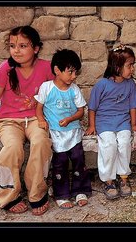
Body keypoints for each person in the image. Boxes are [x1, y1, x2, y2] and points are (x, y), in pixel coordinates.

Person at [0, 26, 54, 216]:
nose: (16, 50)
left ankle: (36, 193)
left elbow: (56, 93)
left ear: (36, 49)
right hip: (9, 121)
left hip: (36, 118)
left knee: (41, 142)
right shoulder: (5, 70)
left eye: (23, 45)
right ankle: (8, 194)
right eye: (12, 46)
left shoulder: (46, 68)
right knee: (12, 148)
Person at [85, 44, 136, 200]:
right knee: (109, 144)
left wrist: (133, 125)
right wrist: (92, 125)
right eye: (129, 65)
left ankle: (124, 177)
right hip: (104, 122)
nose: (133, 68)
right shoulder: (102, 85)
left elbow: (133, 106)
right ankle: (109, 180)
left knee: (124, 142)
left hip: (123, 121)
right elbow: (92, 107)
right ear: (117, 67)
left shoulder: (130, 84)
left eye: (133, 65)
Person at [34, 49, 92, 209]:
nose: (73, 76)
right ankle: (62, 194)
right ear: (57, 70)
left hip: (73, 133)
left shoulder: (74, 89)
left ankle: (80, 191)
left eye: (76, 72)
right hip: (56, 134)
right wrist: (41, 120)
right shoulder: (46, 88)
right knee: (60, 164)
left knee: (79, 161)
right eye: (70, 72)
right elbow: (39, 108)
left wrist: (70, 119)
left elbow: (81, 111)